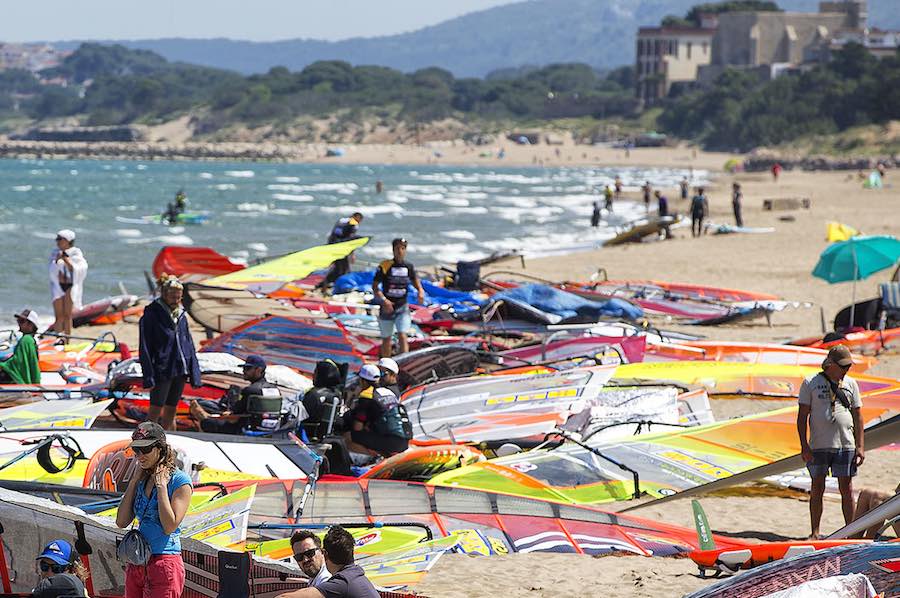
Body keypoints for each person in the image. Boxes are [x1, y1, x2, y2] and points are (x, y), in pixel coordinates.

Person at [116, 422, 192, 598]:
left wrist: (162, 487)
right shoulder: (143, 478)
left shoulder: (180, 481)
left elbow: (169, 526)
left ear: (160, 448)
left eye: (145, 450)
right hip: (138, 560)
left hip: (164, 562)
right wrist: (134, 481)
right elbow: (121, 521)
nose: (140, 456)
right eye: (136, 451)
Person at [797, 345, 865, 539]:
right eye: (843, 366)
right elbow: (802, 416)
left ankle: (851, 533)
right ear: (830, 365)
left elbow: (858, 415)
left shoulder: (851, 384)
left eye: (848, 366)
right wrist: (804, 445)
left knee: (847, 488)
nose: (846, 370)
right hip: (818, 445)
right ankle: (815, 532)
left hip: (846, 444)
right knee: (817, 487)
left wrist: (860, 446)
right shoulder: (810, 382)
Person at [138, 276, 201, 430]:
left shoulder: (181, 314)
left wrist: (194, 372)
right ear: (164, 294)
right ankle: (143, 441)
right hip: (163, 368)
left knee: (172, 409)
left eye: (178, 296)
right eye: (172, 295)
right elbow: (144, 346)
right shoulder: (152, 314)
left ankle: (168, 442)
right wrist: (148, 375)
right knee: (155, 409)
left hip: (180, 368)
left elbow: (189, 344)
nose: (176, 299)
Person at [276, 526, 379, 598]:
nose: (305, 559)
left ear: (323, 553)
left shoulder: (335, 582)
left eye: (310, 553)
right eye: (299, 557)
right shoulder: (355, 575)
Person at [189, 355, 279, 434]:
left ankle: (203, 417)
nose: (244, 371)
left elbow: (235, 413)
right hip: (268, 428)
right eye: (244, 368)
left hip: (245, 428)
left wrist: (224, 414)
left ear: (258, 370)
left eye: (247, 369)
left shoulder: (250, 390)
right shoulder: (275, 389)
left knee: (207, 423)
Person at [373, 238, 424, 358]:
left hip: (402, 306)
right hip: (387, 307)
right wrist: (384, 300)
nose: (400, 251)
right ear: (393, 250)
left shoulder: (408, 266)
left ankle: (403, 362)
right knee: (387, 338)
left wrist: (420, 291)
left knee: (402, 335)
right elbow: (375, 286)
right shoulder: (385, 265)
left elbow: (415, 280)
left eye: (403, 248)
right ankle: (386, 362)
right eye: (397, 248)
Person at [344, 365, 409, 459]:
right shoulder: (388, 392)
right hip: (404, 441)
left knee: (347, 437)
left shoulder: (366, 395)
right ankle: (384, 456)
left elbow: (357, 428)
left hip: (392, 442)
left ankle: (375, 458)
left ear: (363, 381)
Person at [49, 229, 87, 338]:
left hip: (70, 286)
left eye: (60, 239)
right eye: (57, 239)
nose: (58, 241)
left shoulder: (76, 253)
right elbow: (52, 270)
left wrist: (65, 259)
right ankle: (58, 338)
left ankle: (67, 339)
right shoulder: (55, 252)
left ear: (68, 240)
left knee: (67, 315)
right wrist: (56, 260)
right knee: (58, 315)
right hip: (58, 286)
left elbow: (79, 269)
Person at [317, 213, 364, 290]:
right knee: (342, 269)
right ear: (356, 217)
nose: (359, 222)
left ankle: (325, 285)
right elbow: (351, 239)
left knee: (340, 268)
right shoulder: (353, 224)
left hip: (332, 246)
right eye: (360, 220)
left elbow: (333, 235)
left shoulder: (341, 220)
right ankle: (326, 286)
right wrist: (352, 254)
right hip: (342, 249)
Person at [0, 309, 41, 384]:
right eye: (18, 321)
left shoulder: (26, 340)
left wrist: (2, 365)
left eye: (22, 321)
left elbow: (17, 362)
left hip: (17, 380)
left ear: (31, 325)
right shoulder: (30, 340)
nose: (19, 323)